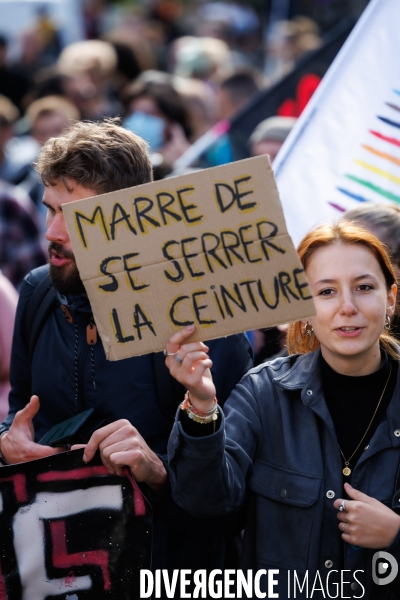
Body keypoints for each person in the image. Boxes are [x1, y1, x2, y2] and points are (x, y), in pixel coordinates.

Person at [0, 119, 253, 575]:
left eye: (75, 217)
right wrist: (8, 442)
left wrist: (155, 473)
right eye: (49, 209)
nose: (53, 232)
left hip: (166, 571)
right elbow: (19, 412)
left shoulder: (198, 320)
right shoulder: (38, 293)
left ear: (127, 220)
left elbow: (228, 504)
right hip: (53, 570)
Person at [165, 220, 400, 599]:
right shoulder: (263, 394)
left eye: (364, 288)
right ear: (302, 308)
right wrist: (202, 406)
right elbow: (207, 504)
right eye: (326, 291)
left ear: (390, 298)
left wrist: (395, 535)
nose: (347, 307)